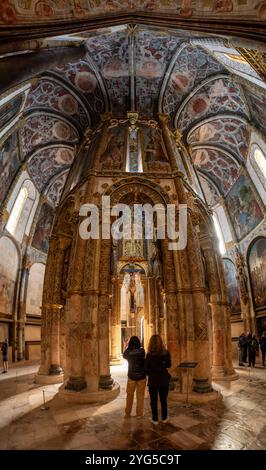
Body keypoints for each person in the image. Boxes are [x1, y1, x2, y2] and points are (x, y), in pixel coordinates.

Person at [145, 334, 171, 425]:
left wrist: (151, 373)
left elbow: (146, 369)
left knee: (153, 401)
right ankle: (164, 417)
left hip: (153, 380)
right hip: (163, 379)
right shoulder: (166, 353)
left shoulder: (149, 355)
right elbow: (169, 365)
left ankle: (155, 419)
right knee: (163, 400)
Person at [123, 336, 146, 418]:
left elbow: (124, 355)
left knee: (129, 395)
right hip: (142, 376)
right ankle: (139, 414)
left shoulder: (128, 352)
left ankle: (127, 413)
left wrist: (128, 346)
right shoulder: (142, 351)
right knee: (140, 395)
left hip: (131, 376)